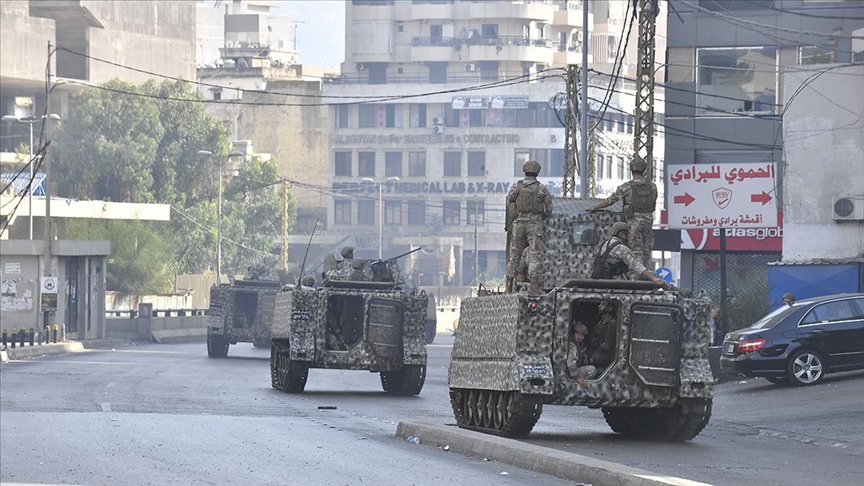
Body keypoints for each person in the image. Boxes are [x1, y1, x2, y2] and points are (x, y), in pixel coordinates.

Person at [586, 157, 658, 268]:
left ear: (631, 169)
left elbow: (611, 200)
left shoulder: (627, 186)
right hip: (649, 222)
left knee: (636, 250)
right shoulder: (652, 186)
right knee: (647, 249)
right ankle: (648, 274)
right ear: (644, 169)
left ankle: (638, 276)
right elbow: (653, 201)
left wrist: (595, 207)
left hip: (634, 222)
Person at [505, 160, 553, 294]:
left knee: (514, 255)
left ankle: (508, 285)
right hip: (534, 224)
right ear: (537, 172)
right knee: (534, 254)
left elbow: (510, 199)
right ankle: (534, 285)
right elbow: (549, 209)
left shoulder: (517, 186)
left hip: (519, 223)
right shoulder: (541, 188)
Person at [592, 222, 676, 290]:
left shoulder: (604, 244)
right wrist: (654, 278)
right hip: (615, 280)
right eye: (627, 234)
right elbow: (636, 265)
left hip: (600, 278)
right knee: (649, 275)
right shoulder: (620, 248)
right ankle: (670, 288)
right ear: (621, 234)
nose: (629, 237)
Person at [567, 321, 597, 389]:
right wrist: (578, 378)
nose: (579, 337)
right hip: (570, 373)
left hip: (572, 371)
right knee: (592, 370)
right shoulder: (572, 346)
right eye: (577, 333)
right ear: (573, 333)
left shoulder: (580, 344)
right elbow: (571, 363)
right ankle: (579, 386)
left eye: (582, 335)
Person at [589, 300, 616, 371]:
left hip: (607, 354)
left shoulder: (612, 323)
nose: (599, 306)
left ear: (610, 308)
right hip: (598, 351)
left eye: (603, 304)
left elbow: (607, 344)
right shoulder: (600, 322)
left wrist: (594, 354)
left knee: (590, 361)